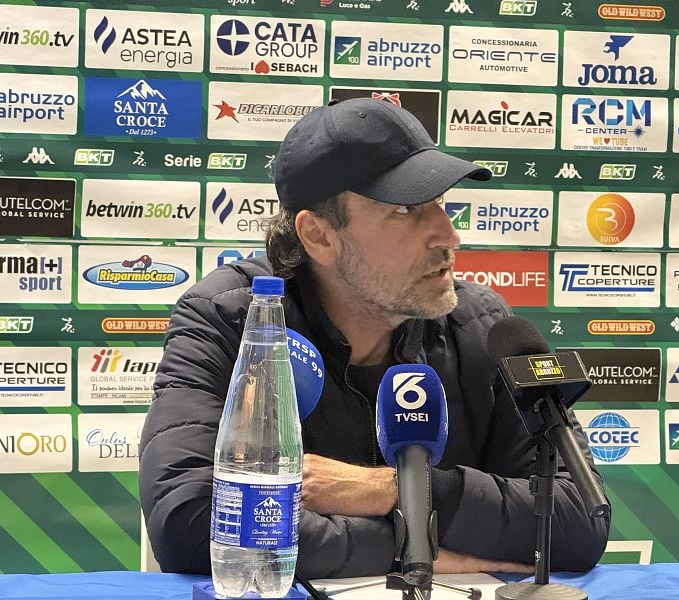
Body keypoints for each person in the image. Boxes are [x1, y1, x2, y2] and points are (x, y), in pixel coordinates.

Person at [138, 97, 610, 578]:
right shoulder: (232, 319)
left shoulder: (482, 325)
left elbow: (578, 521)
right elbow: (189, 522)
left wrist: (395, 489)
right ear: (319, 236)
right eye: (405, 209)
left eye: (440, 203)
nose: (448, 236)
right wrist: (417, 551)